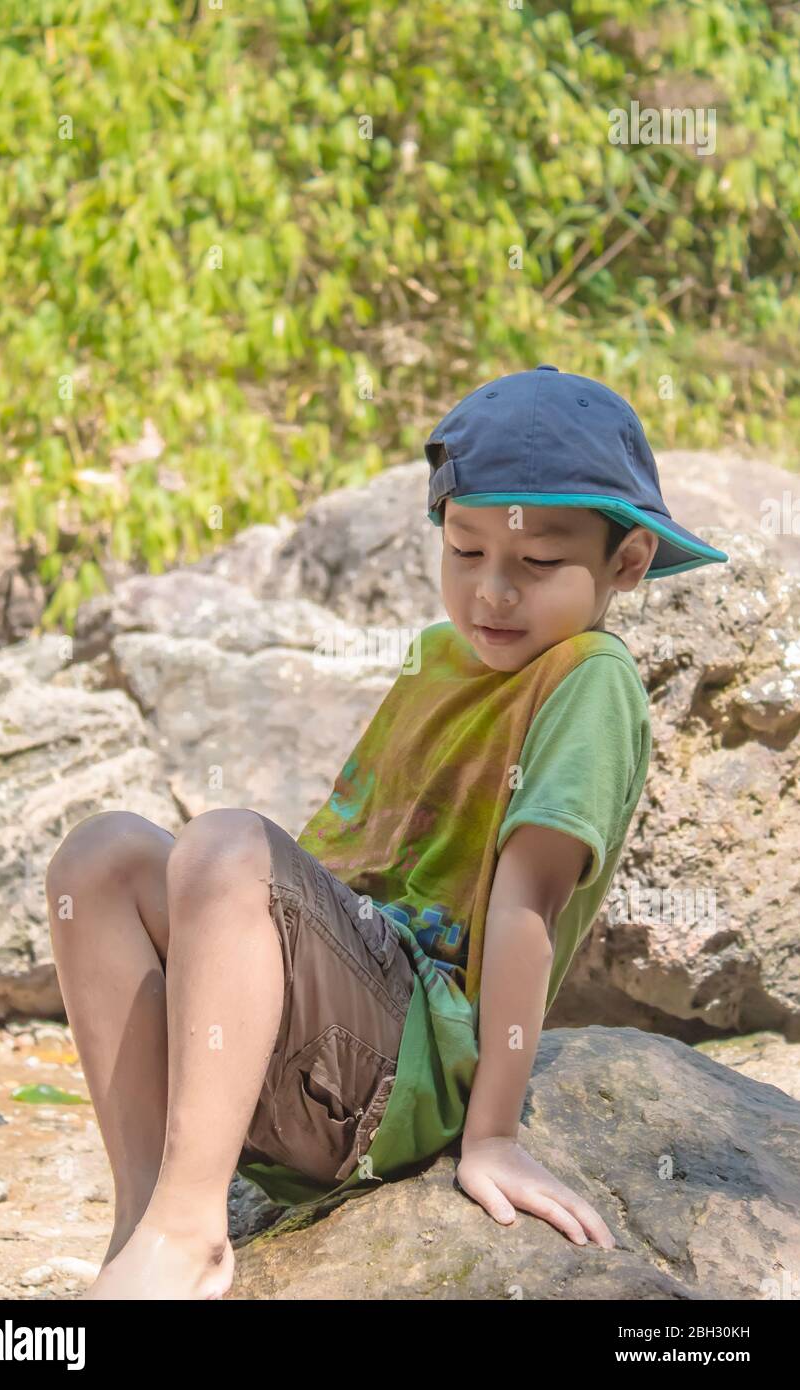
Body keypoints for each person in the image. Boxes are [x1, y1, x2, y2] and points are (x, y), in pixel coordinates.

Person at [45, 364, 729, 1299]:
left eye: (536, 565)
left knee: (226, 843)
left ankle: (191, 1230)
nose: (492, 592)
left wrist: (492, 1134)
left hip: (407, 1065)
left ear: (629, 562)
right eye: (464, 550)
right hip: (310, 1037)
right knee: (103, 854)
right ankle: (147, 1227)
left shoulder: (589, 678)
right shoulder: (436, 659)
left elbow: (526, 906)